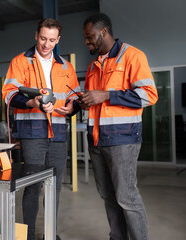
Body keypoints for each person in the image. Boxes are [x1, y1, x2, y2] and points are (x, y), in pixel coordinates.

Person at [80, 13, 158, 240]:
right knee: (108, 195)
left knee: (127, 197)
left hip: (123, 139)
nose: (87, 42)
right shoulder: (94, 65)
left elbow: (149, 95)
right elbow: (97, 101)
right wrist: (84, 101)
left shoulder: (132, 56)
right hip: (96, 140)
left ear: (103, 32)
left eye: (89, 37)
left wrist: (105, 95)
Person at [2, 18, 81, 240]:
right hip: (32, 133)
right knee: (33, 186)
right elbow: (8, 93)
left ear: (58, 40)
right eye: (43, 38)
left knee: (54, 187)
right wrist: (31, 103)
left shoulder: (66, 66)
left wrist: (71, 107)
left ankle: (50, 234)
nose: (47, 44)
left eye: (52, 40)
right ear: (36, 35)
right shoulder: (20, 61)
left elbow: (74, 96)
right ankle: (27, 236)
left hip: (58, 133)